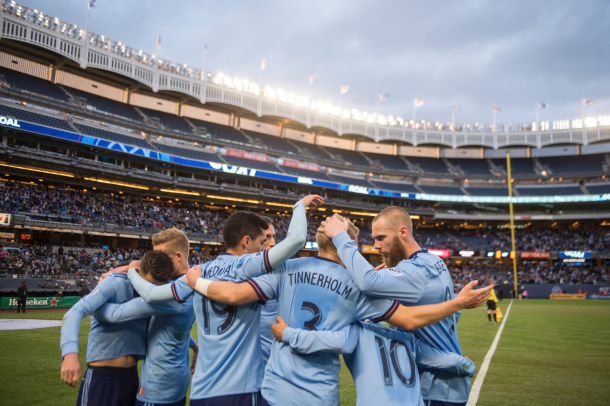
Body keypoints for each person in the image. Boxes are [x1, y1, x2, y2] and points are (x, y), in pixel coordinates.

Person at [187, 214, 491, 406]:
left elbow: (235, 294)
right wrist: (458, 304)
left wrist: (197, 281)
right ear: (349, 245)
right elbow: (409, 321)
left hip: (275, 390)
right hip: (320, 393)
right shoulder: (359, 288)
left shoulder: (286, 268)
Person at [128, 195, 323, 406]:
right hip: (238, 388)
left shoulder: (199, 271)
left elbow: (149, 294)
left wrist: (131, 271)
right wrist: (299, 205)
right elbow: (296, 240)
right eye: (261, 242)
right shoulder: (246, 266)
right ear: (246, 242)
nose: (263, 248)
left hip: (201, 391)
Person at [319, 207, 485, 406]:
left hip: (435, 386)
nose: (376, 245)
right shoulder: (434, 261)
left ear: (402, 232)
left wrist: (340, 238)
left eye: (381, 238)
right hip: (449, 381)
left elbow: (368, 282)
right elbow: (453, 314)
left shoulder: (414, 270)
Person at [92, 228, 198, 406]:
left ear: (178, 256)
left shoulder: (172, 293)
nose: (155, 261)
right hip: (175, 378)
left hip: (158, 385)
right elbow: (169, 326)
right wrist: (195, 345)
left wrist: (95, 299)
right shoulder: (186, 282)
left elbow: (115, 314)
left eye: (161, 255)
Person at [59, 251, 173, 406]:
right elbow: (76, 311)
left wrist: (192, 345)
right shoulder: (115, 282)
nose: (148, 291)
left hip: (131, 377)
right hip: (101, 376)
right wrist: (70, 354)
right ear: (137, 272)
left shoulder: (160, 291)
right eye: (147, 284)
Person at [273, 319, 476, 406]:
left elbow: (330, 341)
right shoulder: (408, 339)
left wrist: (288, 333)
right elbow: (443, 359)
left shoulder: (355, 330)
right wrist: (467, 365)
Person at [259, 217, 278, 364]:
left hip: (276, 369)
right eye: (267, 238)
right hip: (247, 373)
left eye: (274, 237)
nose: (273, 243)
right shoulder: (236, 274)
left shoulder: (281, 272)